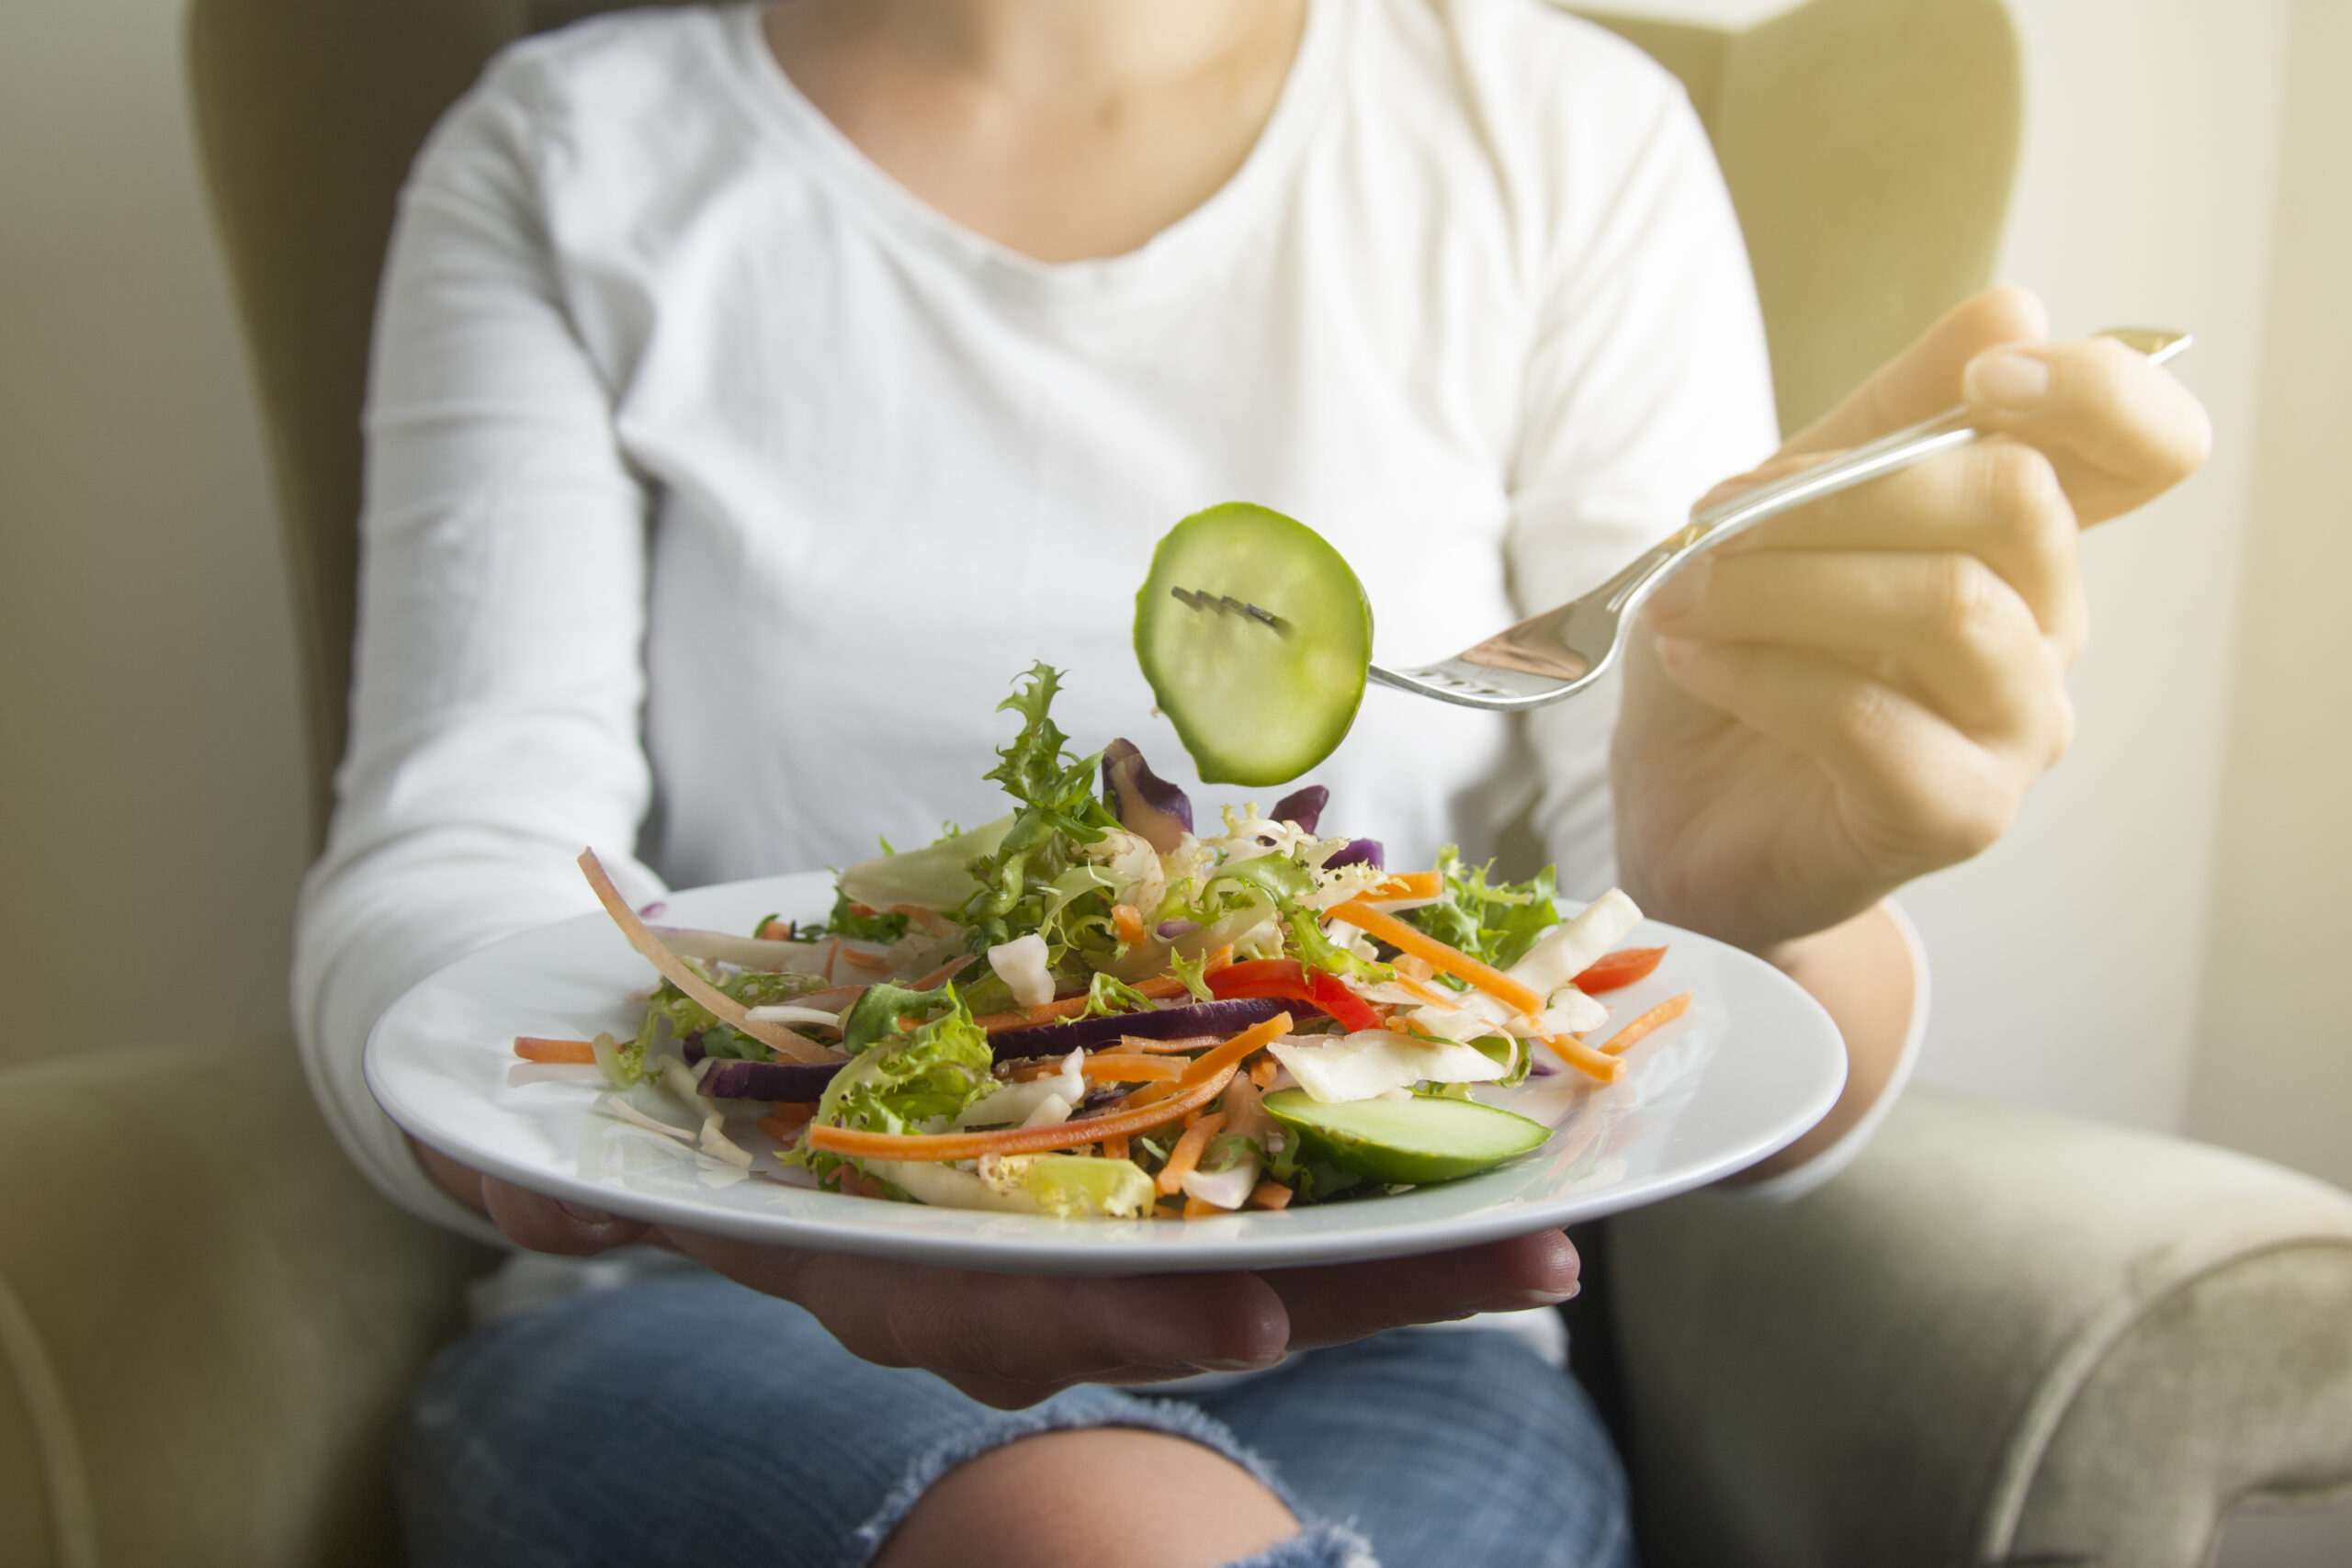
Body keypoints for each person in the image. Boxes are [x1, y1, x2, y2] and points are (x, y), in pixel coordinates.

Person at [292, 1, 2211, 1563]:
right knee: (1090, 1531)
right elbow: (449, 869)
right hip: (704, 1321)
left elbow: (1705, 992)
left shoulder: (1552, 139)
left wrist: (1759, 907)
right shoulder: (566, 154)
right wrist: (713, 1190)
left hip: (1400, 1360)